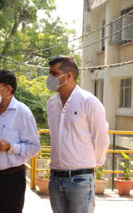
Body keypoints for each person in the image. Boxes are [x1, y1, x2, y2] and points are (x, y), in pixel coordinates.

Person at [46, 56, 110, 213]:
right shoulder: (51, 103)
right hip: (55, 178)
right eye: (49, 73)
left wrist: (96, 163)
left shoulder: (89, 102)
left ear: (68, 75)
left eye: (54, 73)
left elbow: (101, 138)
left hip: (80, 179)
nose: (50, 78)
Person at [0, 70, 41, 213]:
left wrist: (10, 146)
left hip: (11, 179)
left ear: (8, 89)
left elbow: (34, 147)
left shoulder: (23, 113)